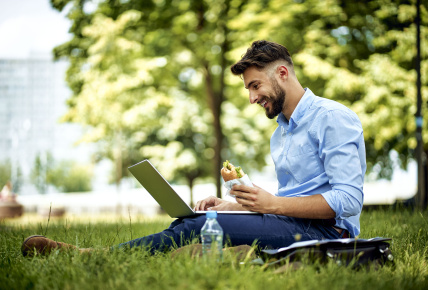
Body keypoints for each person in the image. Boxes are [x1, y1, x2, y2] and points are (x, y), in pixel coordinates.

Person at [22, 40, 366, 257]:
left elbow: (348, 201)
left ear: (282, 73)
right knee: (196, 219)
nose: (251, 97)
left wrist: (272, 203)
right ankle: (127, 248)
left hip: (329, 234)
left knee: (200, 229)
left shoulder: (333, 118)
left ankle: (93, 254)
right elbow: (297, 200)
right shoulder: (281, 133)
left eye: (255, 85)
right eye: (248, 89)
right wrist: (236, 206)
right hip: (295, 224)